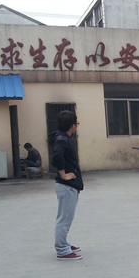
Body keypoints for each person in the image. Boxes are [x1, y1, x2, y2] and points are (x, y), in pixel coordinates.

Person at [48, 110, 83, 260]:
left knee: (66, 217)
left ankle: (64, 242)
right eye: (76, 123)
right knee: (64, 218)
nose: (76, 126)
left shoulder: (61, 137)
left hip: (69, 185)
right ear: (72, 125)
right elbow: (56, 157)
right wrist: (63, 174)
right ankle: (62, 249)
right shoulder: (62, 140)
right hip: (66, 185)